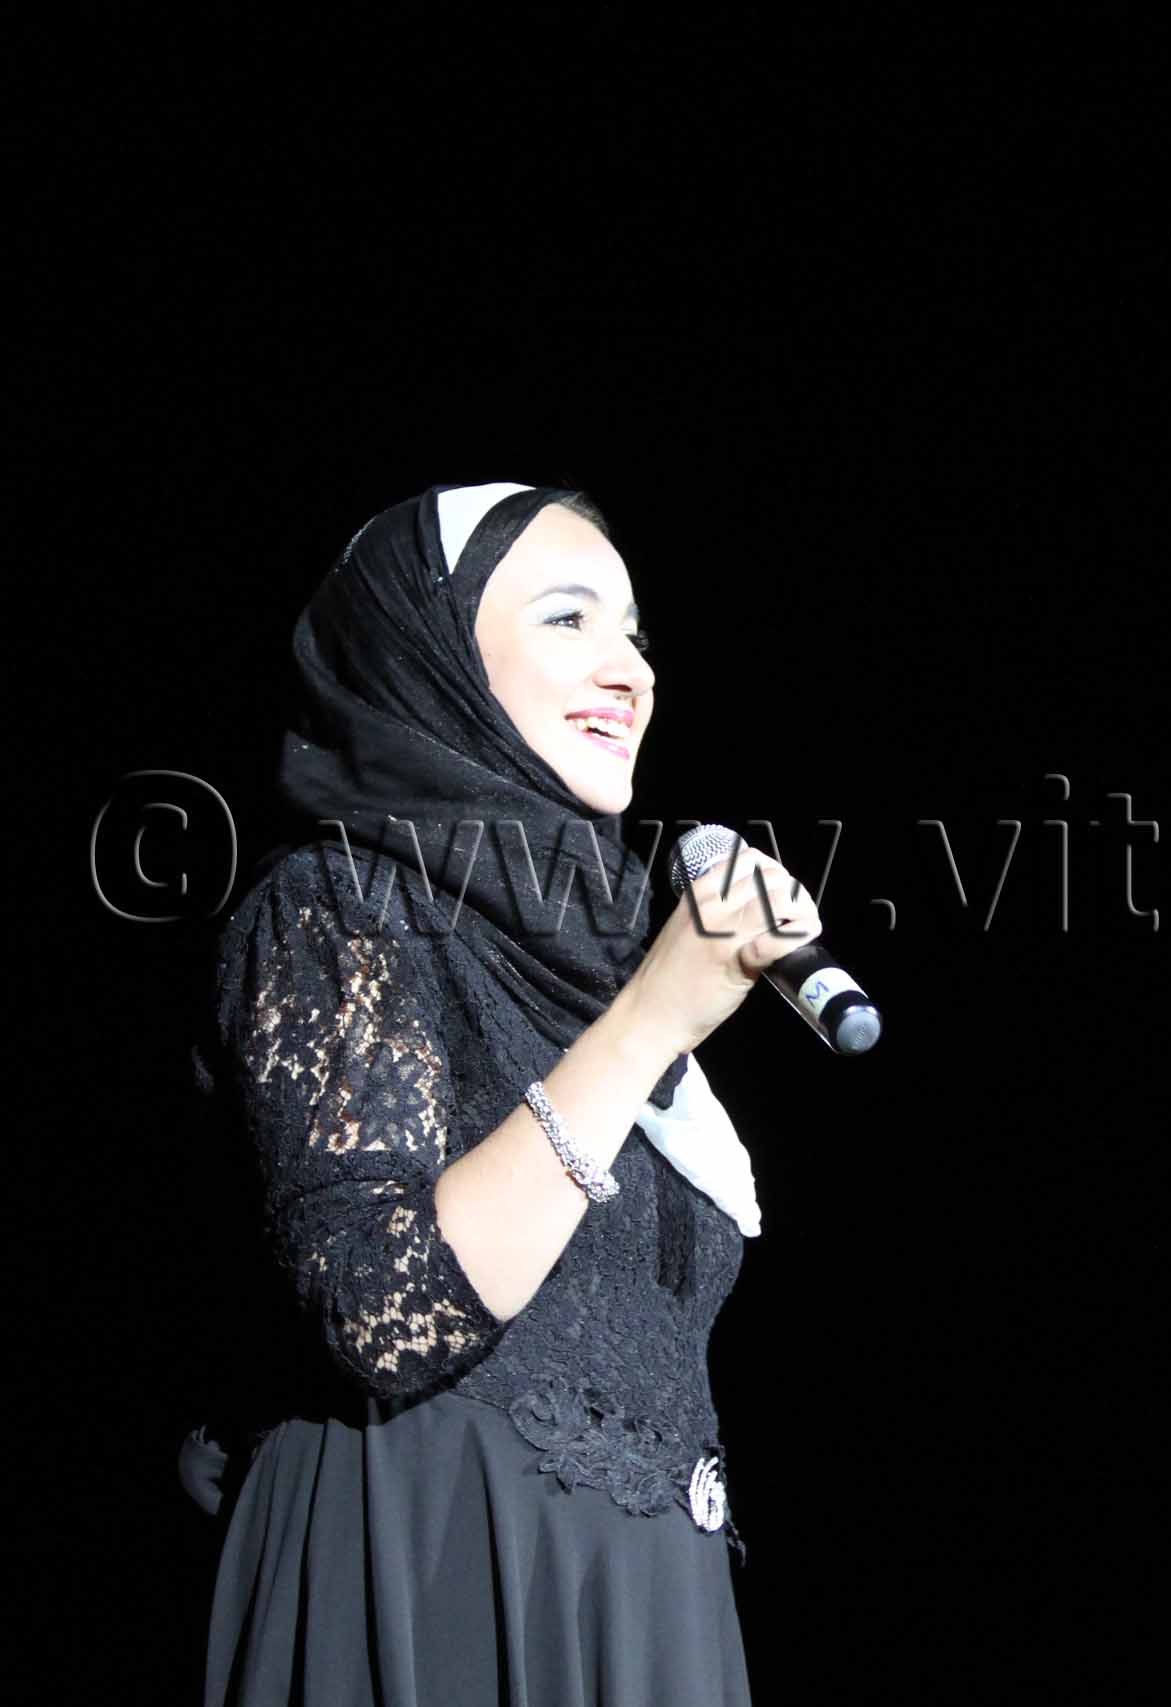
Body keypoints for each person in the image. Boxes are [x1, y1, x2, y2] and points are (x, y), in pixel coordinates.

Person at [193, 482, 820, 1706]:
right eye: (570, 619)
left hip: (641, 1600)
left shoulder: (599, 955)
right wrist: (649, 1021)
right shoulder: (343, 909)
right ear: (430, 654)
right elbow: (386, 1311)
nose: (629, 669)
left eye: (634, 632)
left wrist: (642, 1007)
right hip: (428, 1555)